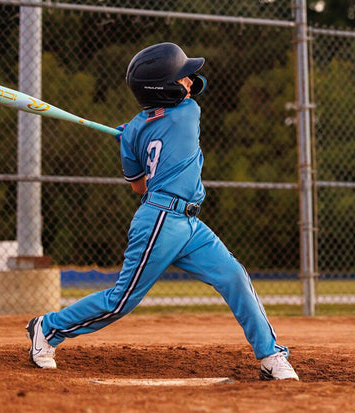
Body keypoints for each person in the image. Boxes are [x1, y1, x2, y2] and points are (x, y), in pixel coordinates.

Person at [26, 42, 299, 381]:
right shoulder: (188, 112)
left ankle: (272, 356)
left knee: (234, 277)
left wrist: (131, 139)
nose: (190, 81)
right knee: (120, 300)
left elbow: (137, 184)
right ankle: (48, 328)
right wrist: (138, 132)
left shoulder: (135, 130)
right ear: (165, 88)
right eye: (182, 76)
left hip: (189, 222)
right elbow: (146, 184)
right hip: (159, 220)